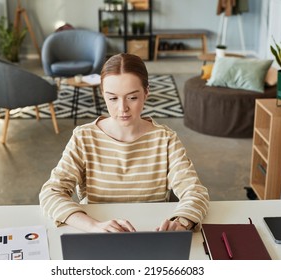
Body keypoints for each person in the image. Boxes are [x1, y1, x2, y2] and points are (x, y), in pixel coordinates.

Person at [39, 53, 209, 233]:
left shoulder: (165, 139)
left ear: (146, 93)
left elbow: (195, 192)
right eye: (113, 98)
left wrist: (182, 223)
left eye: (132, 97)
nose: (122, 108)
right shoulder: (83, 137)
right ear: (103, 94)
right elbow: (51, 193)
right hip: (100, 236)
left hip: (152, 234)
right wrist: (93, 226)